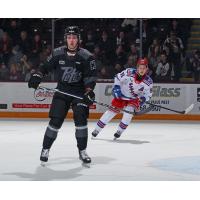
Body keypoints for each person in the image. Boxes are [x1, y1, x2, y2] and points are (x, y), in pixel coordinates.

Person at [28, 26, 97, 165]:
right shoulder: (57, 53)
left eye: (74, 37)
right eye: (69, 37)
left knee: (81, 121)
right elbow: (44, 68)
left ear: (79, 39)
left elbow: (90, 78)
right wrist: (37, 76)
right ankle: (45, 149)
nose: (72, 40)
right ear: (66, 39)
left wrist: (89, 91)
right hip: (62, 90)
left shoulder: (87, 56)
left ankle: (82, 151)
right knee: (55, 121)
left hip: (79, 92)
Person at [91, 58, 153, 139]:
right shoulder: (129, 72)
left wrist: (143, 99)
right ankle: (97, 129)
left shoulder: (149, 82)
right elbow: (117, 77)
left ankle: (120, 131)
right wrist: (117, 87)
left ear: (147, 69)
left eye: (144, 68)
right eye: (140, 68)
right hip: (121, 96)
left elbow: (148, 95)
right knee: (110, 112)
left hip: (133, 99)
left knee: (129, 113)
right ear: (137, 67)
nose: (142, 70)